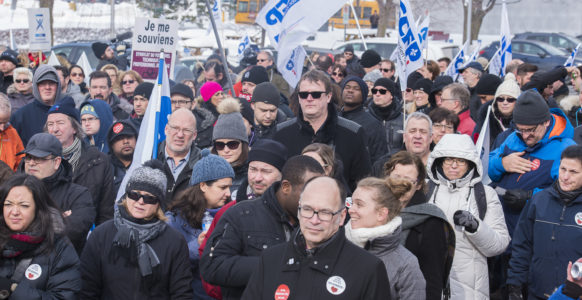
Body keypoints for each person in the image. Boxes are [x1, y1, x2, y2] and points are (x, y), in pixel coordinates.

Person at [241, 176, 392, 300]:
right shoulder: (270, 260)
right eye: (307, 209)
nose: (314, 220)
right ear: (299, 210)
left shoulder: (367, 268)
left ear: (341, 217)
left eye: (325, 212)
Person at [200, 155, 324, 299]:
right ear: (286, 187)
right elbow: (212, 266)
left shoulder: (318, 220)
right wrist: (272, 265)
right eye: (309, 193)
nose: (316, 201)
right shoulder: (240, 215)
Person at [80, 160, 193, 299]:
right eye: (134, 194)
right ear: (126, 195)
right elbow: (87, 289)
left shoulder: (175, 241)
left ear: (159, 204)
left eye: (149, 198)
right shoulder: (101, 235)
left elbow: (181, 293)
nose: (140, 201)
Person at [427, 134, 510, 299]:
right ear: (439, 160)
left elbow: (499, 245)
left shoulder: (485, 194)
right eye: (449, 159)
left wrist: (476, 227)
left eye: (461, 161)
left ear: (471, 163)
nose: (454, 165)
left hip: (471, 289)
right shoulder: (424, 190)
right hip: (429, 282)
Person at [275, 70, 372, 191]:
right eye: (304, 94)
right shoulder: (281, 133)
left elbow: (362, 181)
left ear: (328, 96)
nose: (309, 99)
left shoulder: (353, 133)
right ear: (299, 98)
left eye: (316, 94)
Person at [507, 145, 582, 300]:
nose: (565, 176)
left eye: (573, 172)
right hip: (538, 291)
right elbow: (522, 245)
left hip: (574, 294)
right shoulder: (539, 200)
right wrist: (515, 283)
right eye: (563, 169)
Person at [384, 151, 454, 300]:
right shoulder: (375, 212)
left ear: (419, 184)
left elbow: (432, 280)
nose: (400, 184)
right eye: (396, 177)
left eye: (408, 180)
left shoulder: (430, 221)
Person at [167, 149, 235, 300]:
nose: (229, 193)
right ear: (203, 186)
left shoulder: (235, 214)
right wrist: (197, 248)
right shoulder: (175, 220)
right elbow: (168, 266)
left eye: (230, 187)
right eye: (223, 187)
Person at [0, 174, 81, 299]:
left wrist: (12, 289)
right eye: (8, 204)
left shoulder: (59, 248)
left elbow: (64, 296)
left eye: (24, 205)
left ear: (38, 208)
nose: (14, 212)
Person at [346, 176, 426, 300]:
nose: (351, 210)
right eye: (352, 203)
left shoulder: (405, 264)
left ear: (381, 214)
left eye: (359, 205)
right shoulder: (337, 248)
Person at [19, 132, 94, 253]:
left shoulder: (79, 195)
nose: (31, 163)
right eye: (28, 157)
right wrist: (56, 220)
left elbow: (73, 234)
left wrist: (26, 228)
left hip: (61, 267)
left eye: (39, 158)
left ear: (57, 162)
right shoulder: (13, 191)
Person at [46, 98, 115, 225]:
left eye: (60, 123)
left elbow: (106, 211)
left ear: (74, 128)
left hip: (87, 236)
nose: (54, 129)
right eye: (50, 124)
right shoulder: (37, 159)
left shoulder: (98, 161)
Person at [157, 108, 202, 205]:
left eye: (186, 130)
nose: (180, 135)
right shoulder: (150, 156)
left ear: (194, 135)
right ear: (166, 129)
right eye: (175, 128)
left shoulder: (203, 164)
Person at [11, 65, 63, 146]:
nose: (47, 87)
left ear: (58, 86)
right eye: (42, 83)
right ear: (35, 86)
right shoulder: (20, 116)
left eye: (52, 83)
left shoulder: (68, 112)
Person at [372, 112, 433, 177]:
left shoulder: (441, 165)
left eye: (423, 132)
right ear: (404, 137)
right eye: (412, 131)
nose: (417, 136)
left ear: (431, 137)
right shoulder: (385, 164)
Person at [211, 101, 249, 193]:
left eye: (232, 144)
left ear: (243, 144)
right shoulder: (206, 172)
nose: (226, 150)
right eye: (220, 145)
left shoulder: (253, 174)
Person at [473, 73, 521, 145]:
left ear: (517, 102)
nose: (505, 102)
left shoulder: (524, 121)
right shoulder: (486, 118)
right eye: (500, 99)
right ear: (495, 101)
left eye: (510, 99)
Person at [171, 83, 215, 149]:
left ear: (193, 104)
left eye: (182, 102)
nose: (177, 105)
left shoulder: (206, 128)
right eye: (173, 102)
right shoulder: (161, 125)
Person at [368, 77, 404, 153]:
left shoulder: (404, 119)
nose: (377, 94)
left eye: (382, 91)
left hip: (396, 162)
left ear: (391, 95)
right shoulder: (366, 116)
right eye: (374, 91)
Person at [107, 120, 137, 194]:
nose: (126, 141)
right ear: (112, 145)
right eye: (120, 138)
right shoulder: (105, 167)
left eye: (129, 137)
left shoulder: (145, 162)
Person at [0, 94, 24, 171]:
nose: (2, 128)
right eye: (0, 123)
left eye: (6, 122)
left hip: (10, 181)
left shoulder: (12, 133)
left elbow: (21, 160)